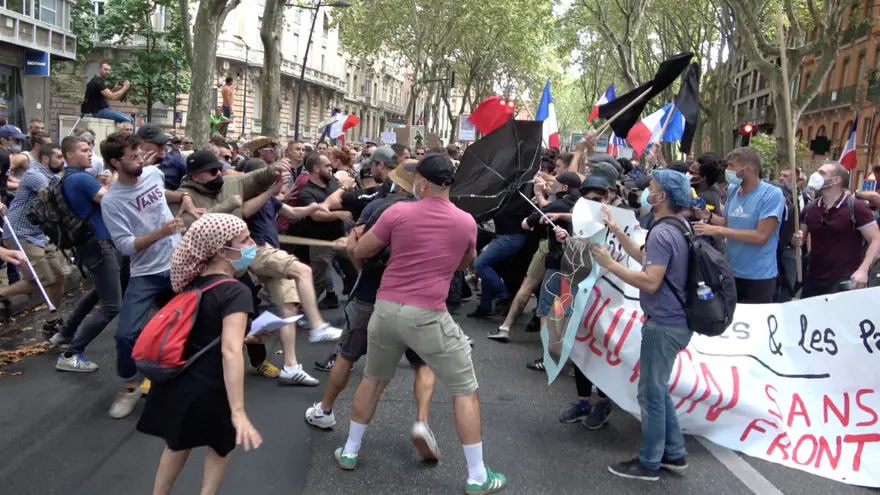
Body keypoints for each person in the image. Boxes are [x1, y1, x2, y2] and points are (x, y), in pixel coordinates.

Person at [338, 154, 507, 494]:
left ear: (423, 183)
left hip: (386, 308)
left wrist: (352, 244)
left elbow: (364, 251)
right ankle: (477, 475)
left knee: (373, 379)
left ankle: (350, 450)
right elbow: (465, 261)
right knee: (465, 391)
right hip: (428, 313)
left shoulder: (397, 212)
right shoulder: (466, 222)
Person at [305, 161, 438, 462]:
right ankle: (422, 421)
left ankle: (326, 412)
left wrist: (361, 268)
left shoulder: (377, 208)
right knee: (423, 365)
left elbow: (356, 250)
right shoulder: (434, 214)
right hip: (416, 301)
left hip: (370, 296)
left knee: (349, 357)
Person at [137, 213, 262, 495]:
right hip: (213, 386)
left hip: (180, 381)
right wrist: (239, 411)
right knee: (220, 444)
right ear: (221, 250)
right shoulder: (236, 291)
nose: (252, 244)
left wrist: (246, 334)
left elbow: (203, 330)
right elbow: (230, 351)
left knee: (177, 443)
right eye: (244, 241)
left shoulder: (192, 284)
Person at [589, 169, 693, 482]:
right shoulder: (677, 226)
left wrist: (610, 264)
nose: (648, 190)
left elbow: (650, 281)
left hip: (664, 323)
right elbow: (645, 257)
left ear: (662, 197)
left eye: (653, 187)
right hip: (675, 321)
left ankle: (649, 462)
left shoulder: (662, 232)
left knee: (650, 394)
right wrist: (617, 230)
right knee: (657, 391)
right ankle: (674, 453)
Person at [101, 132, 185, 419]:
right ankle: (130, 386)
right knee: (126, 335)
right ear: (115, 162)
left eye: (139, 154)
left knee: (194, 322)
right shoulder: (111, 201)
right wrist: (161, 232)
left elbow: (163, 194)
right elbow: (124, 246)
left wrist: (186, 202)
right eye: (132, 156)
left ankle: (185, 379)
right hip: (146, 272)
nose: (139, 159)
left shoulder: (153, 174)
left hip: (178, 262)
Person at [237, 157, 343, 386]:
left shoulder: (270, 200)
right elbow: (245, 210)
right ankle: (317, 326)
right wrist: (272, 190)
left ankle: (291, 367)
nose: (274, 182)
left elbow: (293, 212)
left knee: (289, 309)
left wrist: (313, 207)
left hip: (270, 252)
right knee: (303, 270)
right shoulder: (246, 196)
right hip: (258, 251)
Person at [50, 136, 124, 373]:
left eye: (90, 149)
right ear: (70, 155)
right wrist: (116, 177)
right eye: (84, 150)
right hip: (98, 244)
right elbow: (110, 200)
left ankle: (65, 333)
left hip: (88, 244)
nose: (90, 153)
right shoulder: (81, 178)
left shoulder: (67, 178)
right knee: (112, 306)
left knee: (96, 293)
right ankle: (71, 353)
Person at [694, 147, 784, 303]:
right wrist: (709, 217)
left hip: (758, 277)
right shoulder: (734, 190)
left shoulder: (771, 194)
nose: (727, 170)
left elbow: (760, 236)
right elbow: (728, 223)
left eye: (731, 166)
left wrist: (716, 230)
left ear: (746, 169)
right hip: (731, 272)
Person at [0, 142, 66, 328]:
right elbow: (52, 199)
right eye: (59, 157)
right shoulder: (36, 175)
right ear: (46, 159)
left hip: (38, 234)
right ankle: (2, 293)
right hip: (20, 233)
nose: (63, 161)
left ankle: (52, 320)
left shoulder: (52, 175)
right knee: (41, 279)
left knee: (59, 276)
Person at [792, 162, 880, 297]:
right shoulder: (810, 208)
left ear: (836, 180)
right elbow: (800, 239)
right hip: (813, 279)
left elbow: (876, 238)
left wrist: (863, 269)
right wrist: (796, 240)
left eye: (822, 173)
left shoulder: (855, 207)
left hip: (844, 281)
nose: (816, 176)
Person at [297, 152, 358, 303]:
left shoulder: (332, 184)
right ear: (316, 168)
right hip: (320, 244)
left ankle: (353, 304)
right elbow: (316, 215)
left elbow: (340, 202)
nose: (331, 168)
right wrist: (339, 214)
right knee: (319, 282)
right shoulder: (306, 191)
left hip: (341, 238)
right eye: (327, 166)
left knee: (355, 270)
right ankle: (302, 313)